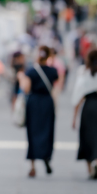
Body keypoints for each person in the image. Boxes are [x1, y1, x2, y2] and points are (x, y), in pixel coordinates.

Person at [18, 46, 58, 178]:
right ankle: (46, 157)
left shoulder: (31, 71)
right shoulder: (53, 71)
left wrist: (21, 78)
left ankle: (33, 166)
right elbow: (56, 88)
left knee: (33, 132)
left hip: (34, 104)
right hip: (47, 103)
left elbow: (26, 89)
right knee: (47, 131)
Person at [71, 49, 97, 180]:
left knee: (86, 135)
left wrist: (74, 117)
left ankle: (89, 168)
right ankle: (96, 162)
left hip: (89, 106)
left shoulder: (83, 72)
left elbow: (78, 96)